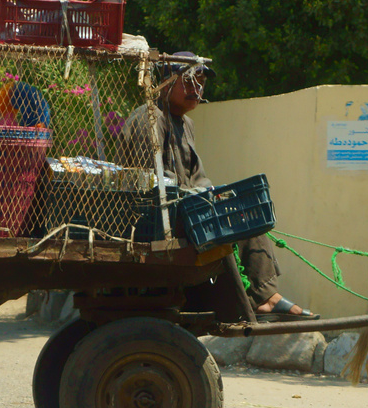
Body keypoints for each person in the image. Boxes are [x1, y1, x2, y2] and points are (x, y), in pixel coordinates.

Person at [118, 52, 317, 320]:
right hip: (156, 219)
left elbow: (199, 179)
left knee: (245, 213)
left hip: (184, 210)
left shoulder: (186, 124)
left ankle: (265, 295)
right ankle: (259, 300)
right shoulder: (149, 120)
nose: (196, 90)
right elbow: (152, 184)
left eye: (201, 83)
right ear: (165, 83)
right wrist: (206, 202)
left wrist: (215, 197)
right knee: (234, 221)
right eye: (189, 82)